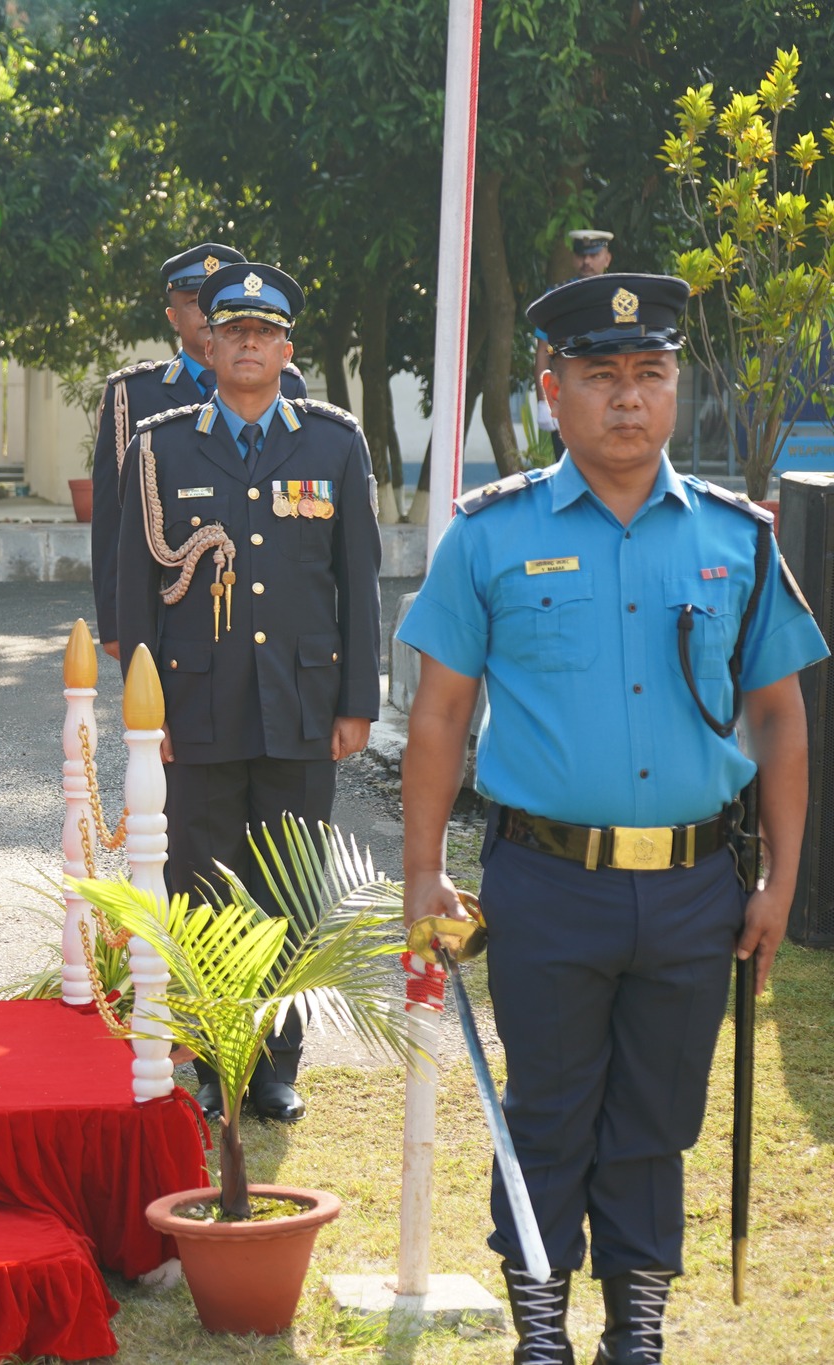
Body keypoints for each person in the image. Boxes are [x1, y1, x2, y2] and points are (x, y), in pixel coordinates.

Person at [397, 273, 825, 1365]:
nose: (627, 399)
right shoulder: (487, 537)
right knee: (546, 1113)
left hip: (693, 889)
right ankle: (539, 1329)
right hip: (544, 884)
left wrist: (778, 881)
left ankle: (634, 1332)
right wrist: (420, 874)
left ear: (674, 385)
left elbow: (777, 716)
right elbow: (440, 715)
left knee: (655, 1120)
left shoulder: (736, 537)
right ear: (551, 390)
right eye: (599, 376)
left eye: (649, 374)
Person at [115, 261, 382, 1123]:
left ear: (285, 348)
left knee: (291, 887)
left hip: (301, 707)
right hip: (197, 707)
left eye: (264, 334)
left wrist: (356, 702)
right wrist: (142, 711)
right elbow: (132, 590)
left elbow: (358, 581)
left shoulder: (335, 442)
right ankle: (206, 1055)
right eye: (234, 332)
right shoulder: (158, 445)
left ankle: (276, 1063)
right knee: (200, 883)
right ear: (209, 341)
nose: (248, 345)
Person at [90, 243, 305, 659]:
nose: (209, 314)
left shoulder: (288, 385)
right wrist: (115, 620)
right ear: (172, 316)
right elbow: (114, 518)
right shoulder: (133, 395)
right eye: (195, 302)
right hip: (174, 598)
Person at [533, 228, 614, 459]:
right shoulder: (556, 297)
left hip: (606, 396)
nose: (586, 261)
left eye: (594, 255)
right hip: (567, 396)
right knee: (567, 466)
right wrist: (543, 402)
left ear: (607, 258)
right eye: (581, 255)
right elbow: (542, 352)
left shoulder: (618, 298)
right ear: (573, 258)